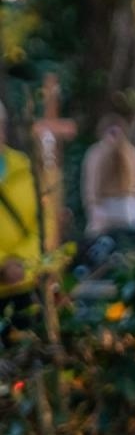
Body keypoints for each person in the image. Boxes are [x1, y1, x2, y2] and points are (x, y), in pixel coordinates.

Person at [0, 99, 42, 300]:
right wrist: (2, 264)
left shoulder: (25, 168)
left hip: (24, 287)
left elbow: (43, 223)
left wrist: (22, 261)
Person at [80, 115, 135, 235]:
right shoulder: (96, 153)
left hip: (126, 202)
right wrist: (93, 205)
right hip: (103, 203)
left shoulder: (131, 153)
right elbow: (91, 181)